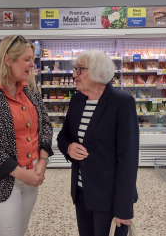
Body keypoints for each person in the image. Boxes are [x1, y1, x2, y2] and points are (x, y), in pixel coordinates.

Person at [0, 35, 53, 236]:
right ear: (7, 60)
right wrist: (23, 174)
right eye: (26, 59)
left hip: (31, 176)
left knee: (20, 231)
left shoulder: (30, 90)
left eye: (33, 59)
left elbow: (46, 125)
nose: (32, 65)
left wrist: (42, 160)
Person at [57, 50, 139, 236]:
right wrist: (69, 147)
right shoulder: (77, 100)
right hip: (81, 192)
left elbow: (128, 159)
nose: (74, 74)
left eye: (80, 69)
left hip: (109, 197)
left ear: (98, 72)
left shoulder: (122, 102)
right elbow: (63, 136)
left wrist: (123, 207)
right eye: (74, 69)